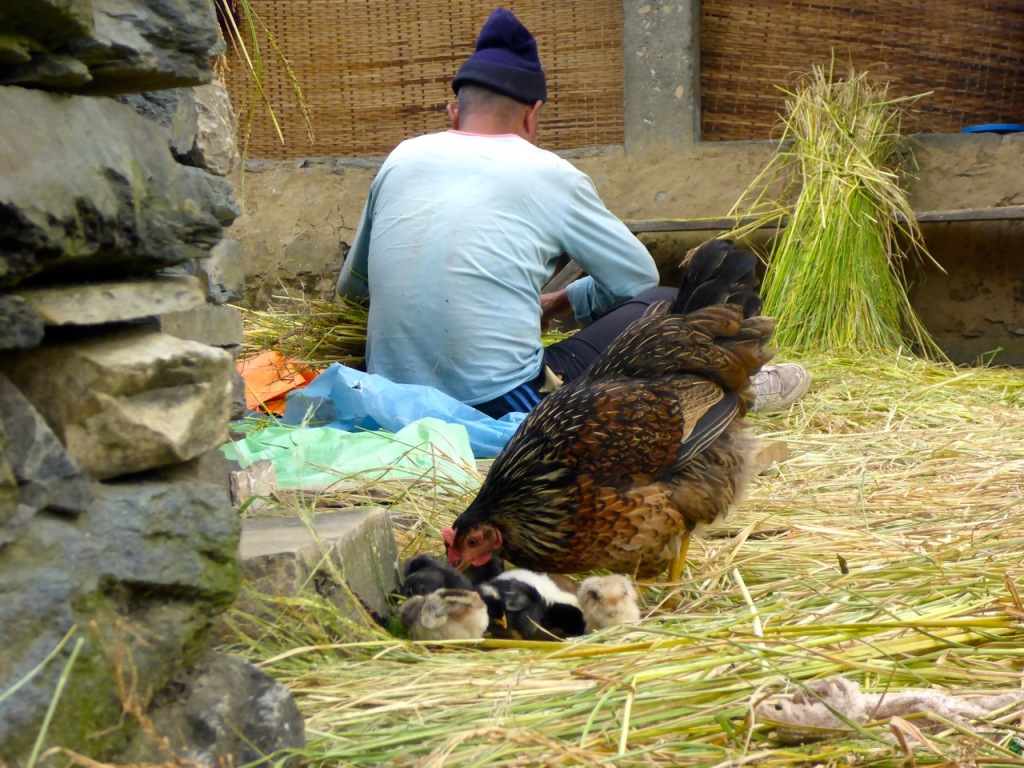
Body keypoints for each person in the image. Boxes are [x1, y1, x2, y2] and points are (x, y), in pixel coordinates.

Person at [337, 8, 809, 419]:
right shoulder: (549, 173)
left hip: (393, 398)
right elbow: (637, 281)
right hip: (506, 403)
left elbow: (352, 291)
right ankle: (731, 383)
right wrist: (567, 301)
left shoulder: (401, 157)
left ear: (453, 112)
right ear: (532, 115)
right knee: (667, 302)